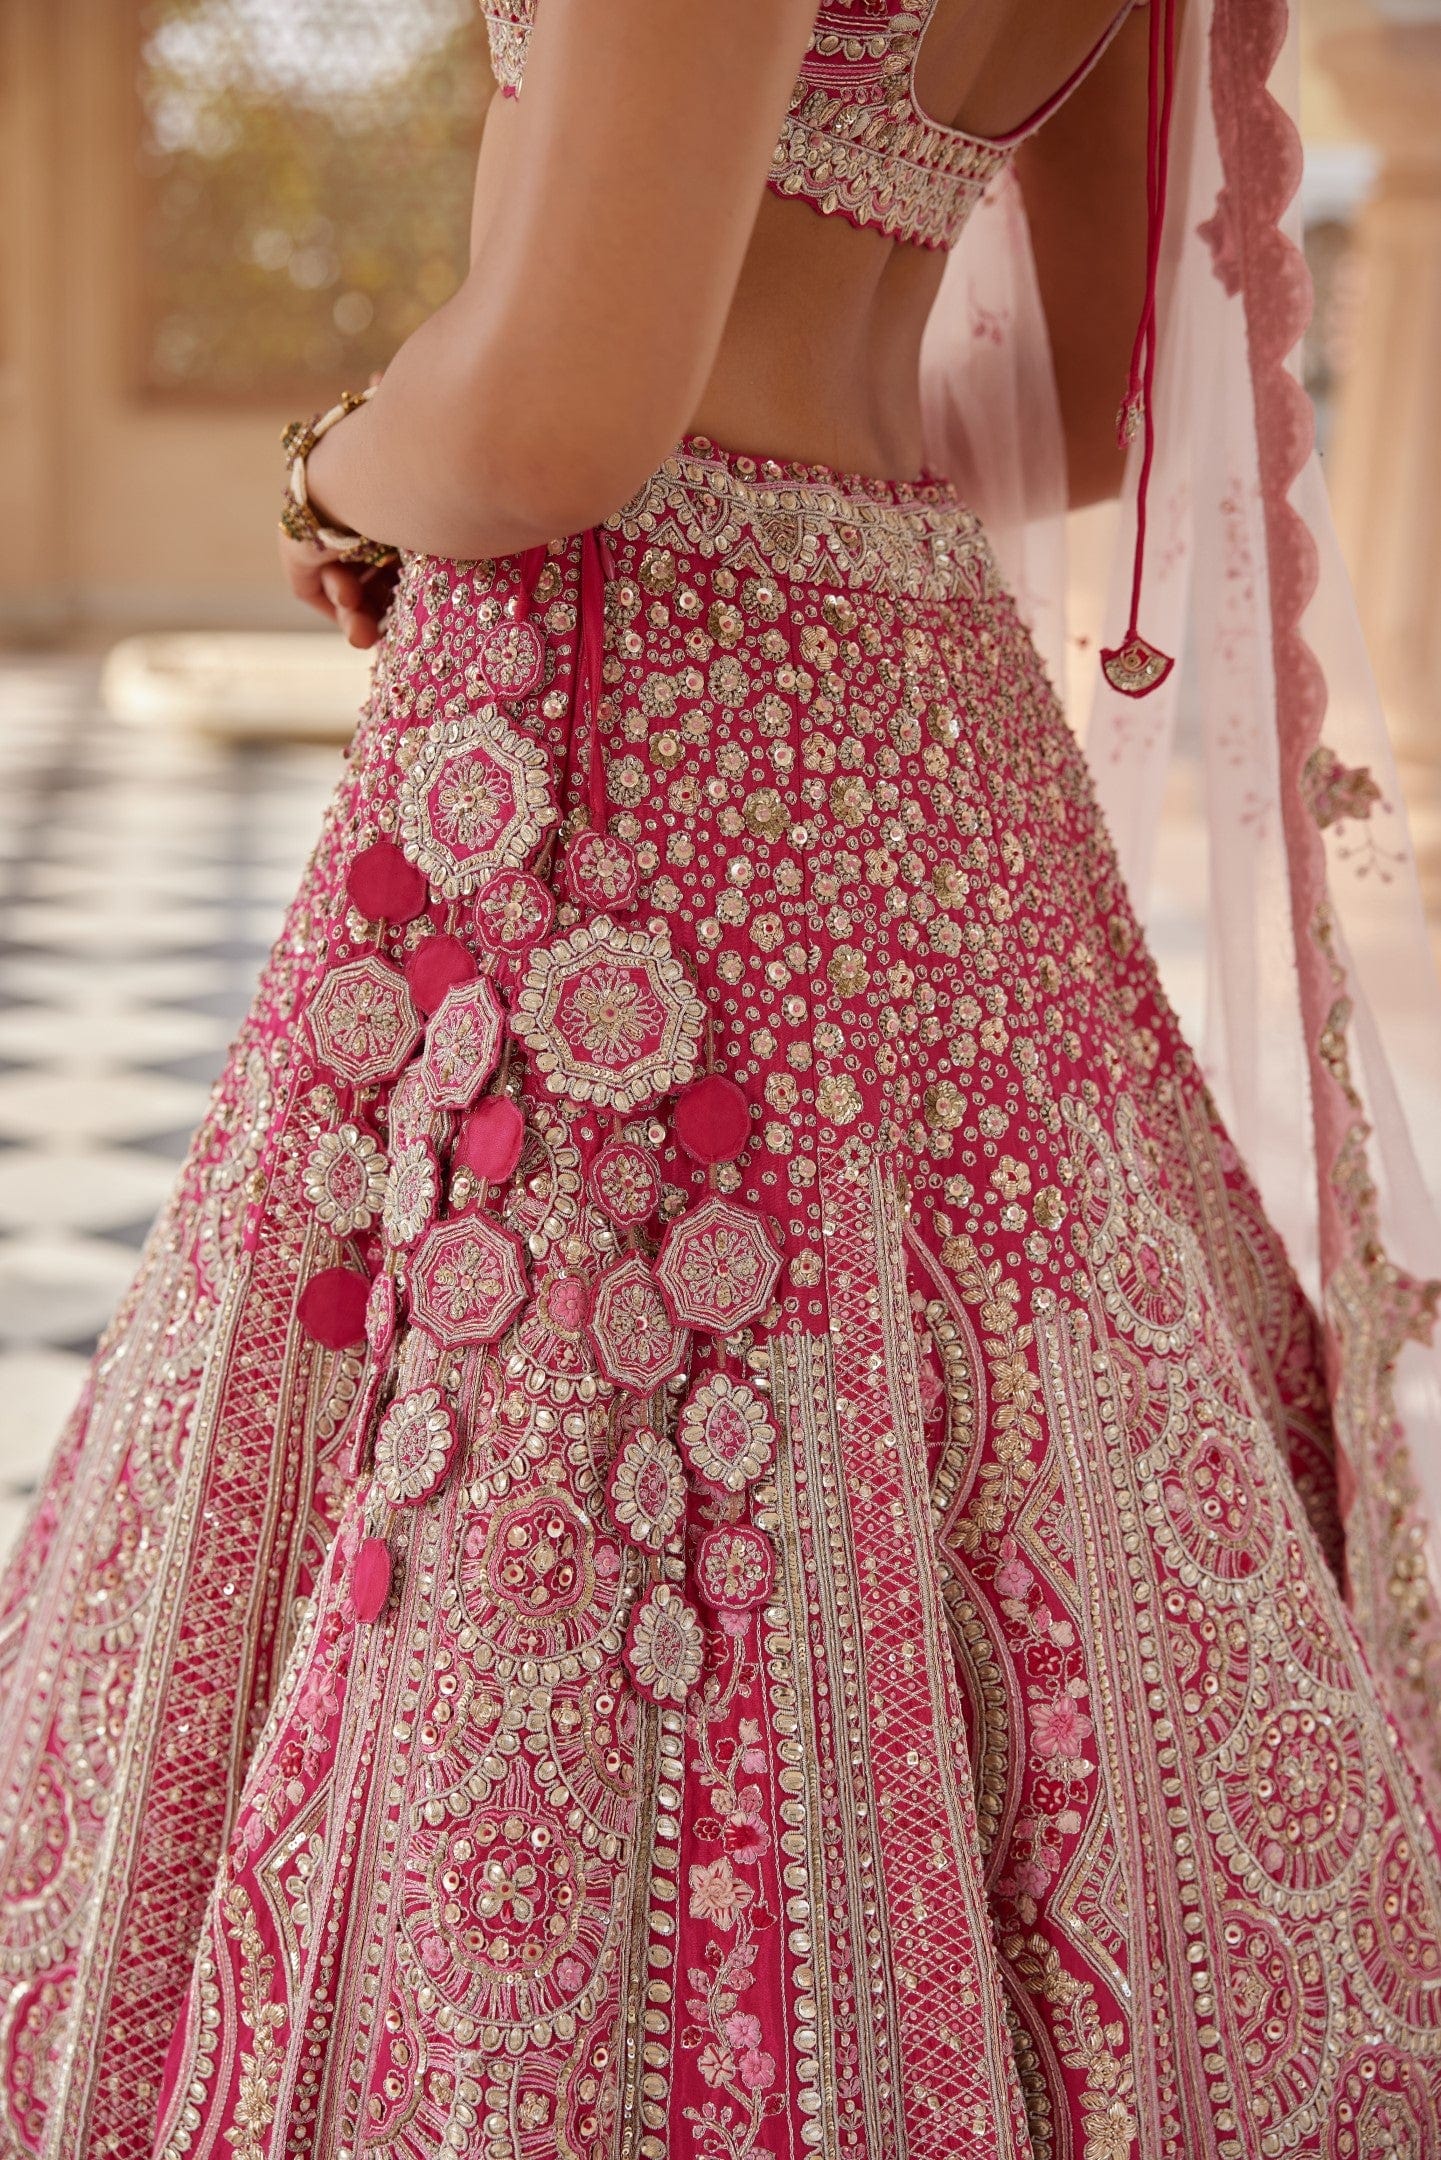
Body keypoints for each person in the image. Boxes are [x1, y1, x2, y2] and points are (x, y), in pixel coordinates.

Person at [4, 2, 1441, 2154]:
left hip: (635, 719)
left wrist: (334, 459)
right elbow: (1068, 420)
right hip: (925, 714)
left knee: (568, 1505)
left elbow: (565, 411)